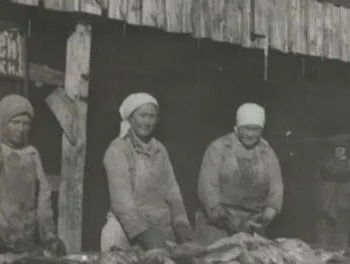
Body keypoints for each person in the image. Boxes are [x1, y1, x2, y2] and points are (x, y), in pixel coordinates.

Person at [0, 95, 65, 263]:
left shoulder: (31, 153)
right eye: (15, 123)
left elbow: (43, 196)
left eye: (26, 124)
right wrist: (5, 234)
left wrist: (48, 234)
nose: (21, 129)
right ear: (2, 122)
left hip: (26, 243)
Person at [100, 93, 194, 252]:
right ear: (130, 118)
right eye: (142, 116)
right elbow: (122, 203)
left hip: (159, 229)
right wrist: (146, 235)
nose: (148, 122)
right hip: (125, 232)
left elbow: (172, 190)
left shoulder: (160, 149)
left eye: (152, 117)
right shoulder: (118, 150)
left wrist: (181, 222)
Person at [196, 103, 284, 245]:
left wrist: (265, 221)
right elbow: (207, 189)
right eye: (246, 129)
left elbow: (276, 191)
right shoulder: (219, 148)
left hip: (251, 224)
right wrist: (227, 220)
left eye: (255, 129)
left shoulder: (267, 153)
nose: (250, 134)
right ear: (237, 127)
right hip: (217, 223)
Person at [317, 133, 350, 247]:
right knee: (325, 239)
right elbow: (329, 173)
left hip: (343, 209)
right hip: (328, 208)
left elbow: (346, 176)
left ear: (346, 150)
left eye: (341, 149)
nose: (338, 151)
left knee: (341, 240)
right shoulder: (331, 164)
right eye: (337, 148)